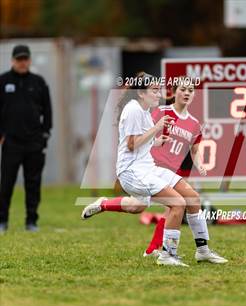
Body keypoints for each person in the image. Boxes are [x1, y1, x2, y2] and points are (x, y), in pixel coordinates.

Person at [81, 72, 188, 267]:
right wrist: (156, 128)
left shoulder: (144, 110)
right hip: (132, 171)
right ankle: (167, 255)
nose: (159, 94)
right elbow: (131, 144)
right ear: (141, 92)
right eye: (154, 91)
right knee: (177, 203)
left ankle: (104, 205)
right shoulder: (133, 110)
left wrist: (156, 142)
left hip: (145, 168)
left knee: (137, 207)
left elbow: (139, 142)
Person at [143, 78, 227, 264]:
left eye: (191, 90)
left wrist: (200, 165)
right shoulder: (162, 112)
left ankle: (173, 251)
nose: (187, 93)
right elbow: (142, 135)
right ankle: (172, 252)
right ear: (174, 91)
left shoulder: (194, 123)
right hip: (153, 168)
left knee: (179, 205)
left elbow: (194, 150)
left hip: (171, 171)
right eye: (183, 89)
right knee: (180, 202)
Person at [0, 45, 52, 233]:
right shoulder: (3, 81)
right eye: (18, 59)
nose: (22, 63)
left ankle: (31, 222)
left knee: (33, 184)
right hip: (11, 143)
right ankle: (2, 221)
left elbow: (48, 111)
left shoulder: (38, 82)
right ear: (13, 60)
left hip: (34, 143)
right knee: (6, 184)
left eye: (25, 59)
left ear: (29, 60)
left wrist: (45, 135)